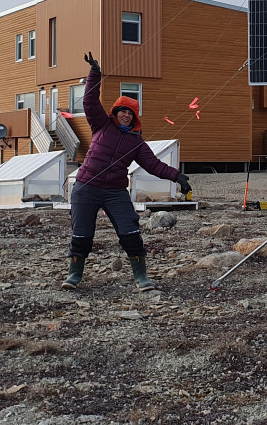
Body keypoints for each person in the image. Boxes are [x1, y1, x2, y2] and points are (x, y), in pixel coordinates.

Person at [62, 51, 192, 292]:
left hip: (114, 192)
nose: (126, 114)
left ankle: (141, 277)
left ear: (134, 118)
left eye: (130, 113)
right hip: (86, 188)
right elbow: (89, 101)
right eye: (122, 110)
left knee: (130, 233)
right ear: (115, 111)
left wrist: (178, 176)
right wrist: (94, 73)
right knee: (82, 236)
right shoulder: (101, 124)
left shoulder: (137, 143)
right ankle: (74, 275)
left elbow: (154, 165)